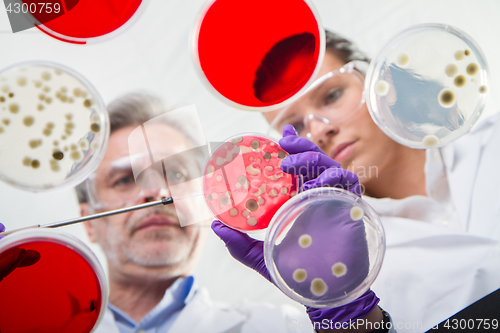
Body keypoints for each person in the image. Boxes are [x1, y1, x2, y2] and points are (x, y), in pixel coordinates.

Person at [256, 30, 500, 331]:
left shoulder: (493, 140)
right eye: (293, 125)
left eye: (331, 96)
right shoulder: (352, 267)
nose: (319, 131)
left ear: (378, 83)